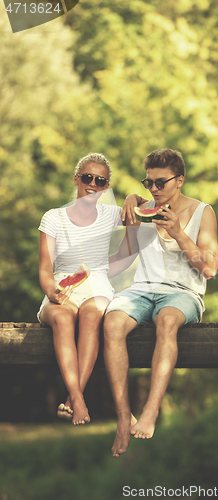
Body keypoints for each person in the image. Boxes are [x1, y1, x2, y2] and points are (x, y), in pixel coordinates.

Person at [103, 148, 218, 457]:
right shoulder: (144, 208)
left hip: (183, 293)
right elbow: (125, 256)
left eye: (160, 183)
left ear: (179, 180)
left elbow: (209, 268)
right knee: (112, 320)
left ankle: (151, 409)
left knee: (166, 320)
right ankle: (122, 417)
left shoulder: (202, 212)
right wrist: (85, 272)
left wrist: (179, 233)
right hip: (142, 290)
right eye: (148, 183)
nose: (153, 190)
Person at [38, 153, 145, 425]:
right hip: (62, 285)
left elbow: (131, 242)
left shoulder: (111, 214)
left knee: (92, 314)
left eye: (100, 180)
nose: (93, 184)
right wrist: (52, 291)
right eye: (87, 177)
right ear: (77, 179)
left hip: (97, 284)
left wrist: (133, 198)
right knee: (63, 318)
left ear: (106, 187)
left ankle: (73, 399)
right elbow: (44, 268)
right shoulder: (53, 218)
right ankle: (78, 398)